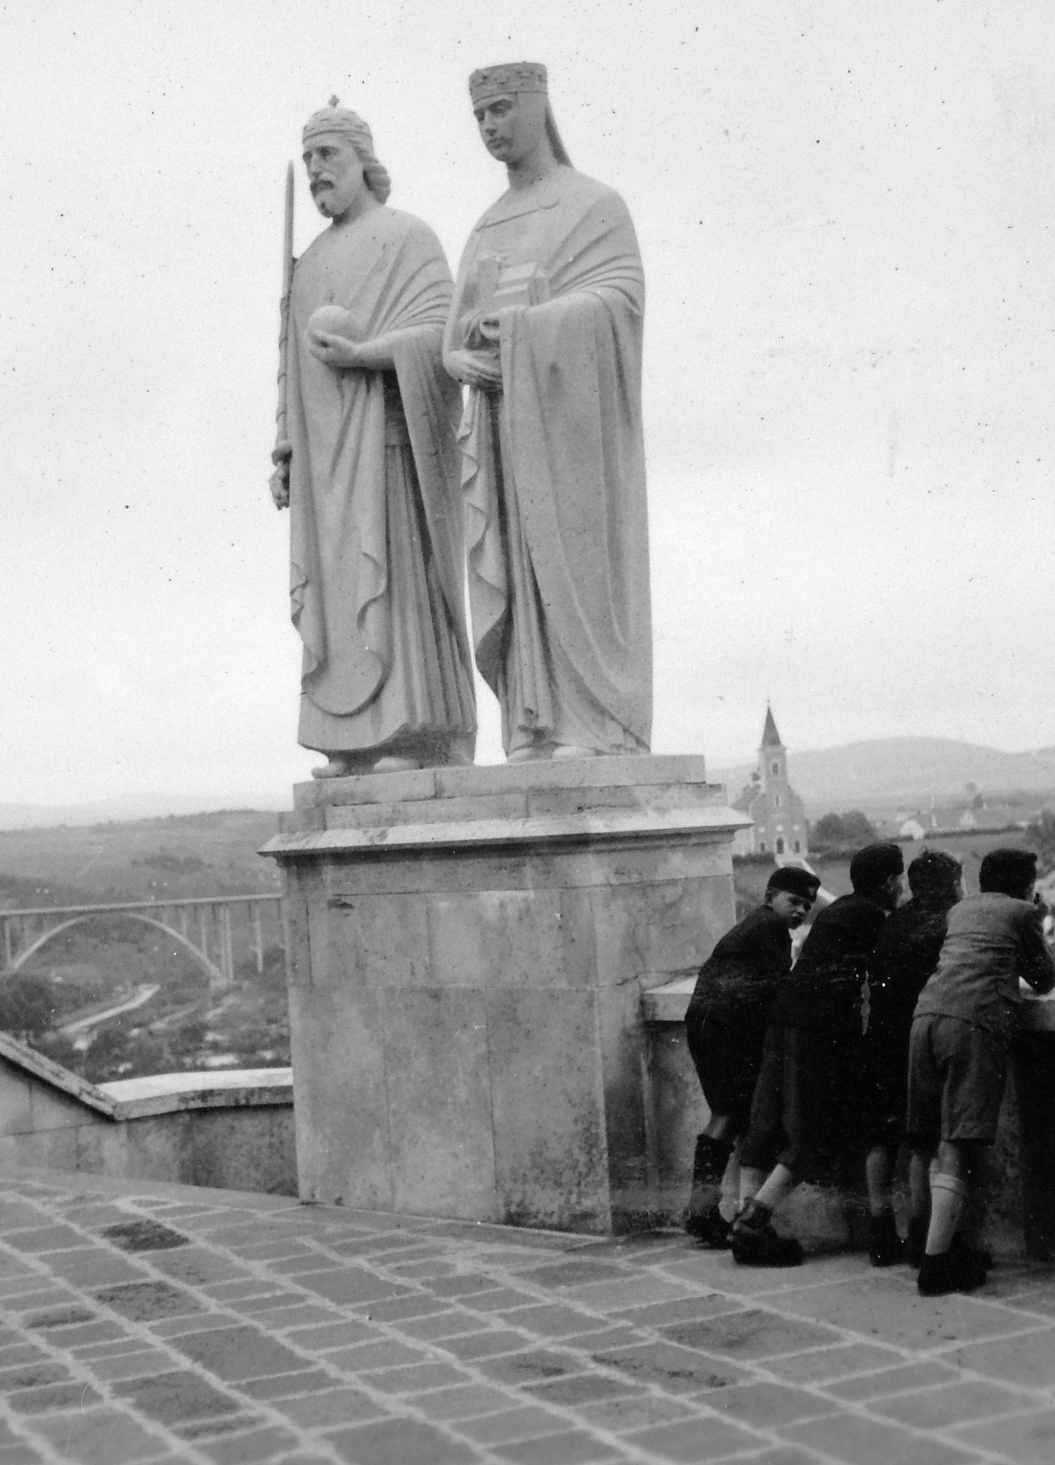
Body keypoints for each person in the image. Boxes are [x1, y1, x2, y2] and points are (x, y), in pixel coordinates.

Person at [445, 63, 652, 763]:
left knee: (578, 572)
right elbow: (456, 329)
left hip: (572, 437)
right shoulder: (485, 227)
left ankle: (595, 725)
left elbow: (620, 300)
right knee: (522, 572)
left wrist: (531, 330)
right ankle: (536, 721)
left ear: (537, 109)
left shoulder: (594, 205)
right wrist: (459, 359)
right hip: (504, 432)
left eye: (502, 110)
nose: (490, 126)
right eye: (480, 117)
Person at [270, 103, 476, 778]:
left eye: (328, 155)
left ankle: (409, 735)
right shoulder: (307, 267)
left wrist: (367, 353)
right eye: (309, 161)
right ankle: (350, 740)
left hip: (389, 449)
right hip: (326, 469)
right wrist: (286, 455)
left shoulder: (406, 238)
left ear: (364, 159)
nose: (317, 171)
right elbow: (291, 376)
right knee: (340, 603)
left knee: (390, 587)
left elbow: (444, 336)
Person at [730, 843, 906, 1266]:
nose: (901, 888)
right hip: (816, 1030)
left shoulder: (840, 910)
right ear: (889, 882)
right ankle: (754, 1222)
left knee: (765, 1124)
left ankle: (742, 1220)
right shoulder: (872, 917)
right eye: (898, 880)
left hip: (783, 1019)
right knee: (808, 1130)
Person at [906, 848, 1055, 1296]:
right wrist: (1039, 920)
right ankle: (934, 1266)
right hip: (974, 1022)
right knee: (959, 1141)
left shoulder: (959, 909)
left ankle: (934, 1244)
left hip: (926, 1017)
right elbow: (1045, 980)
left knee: (931, 1135)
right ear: (1026, 883)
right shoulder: (1023, 911)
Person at [683, 866, 822, 1246]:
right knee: (728, 1115)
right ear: (769, 897)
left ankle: (702, 1210)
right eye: (793, 901)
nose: (800, 911)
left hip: (708, 1023)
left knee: (727, 1115)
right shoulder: (768, 930)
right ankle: (701, 1212)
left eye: (807, 905)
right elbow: (778, 989)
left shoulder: (758, 926)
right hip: (724, 1029)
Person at [861, 849, 965, 1266]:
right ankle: (923, 1235)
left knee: (882, 1135)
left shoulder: (893, 923)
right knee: (923, 1138)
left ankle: (880, 1229)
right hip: (920, 1038)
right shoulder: (946, 925)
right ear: (952, 885)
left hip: (880, 1036)